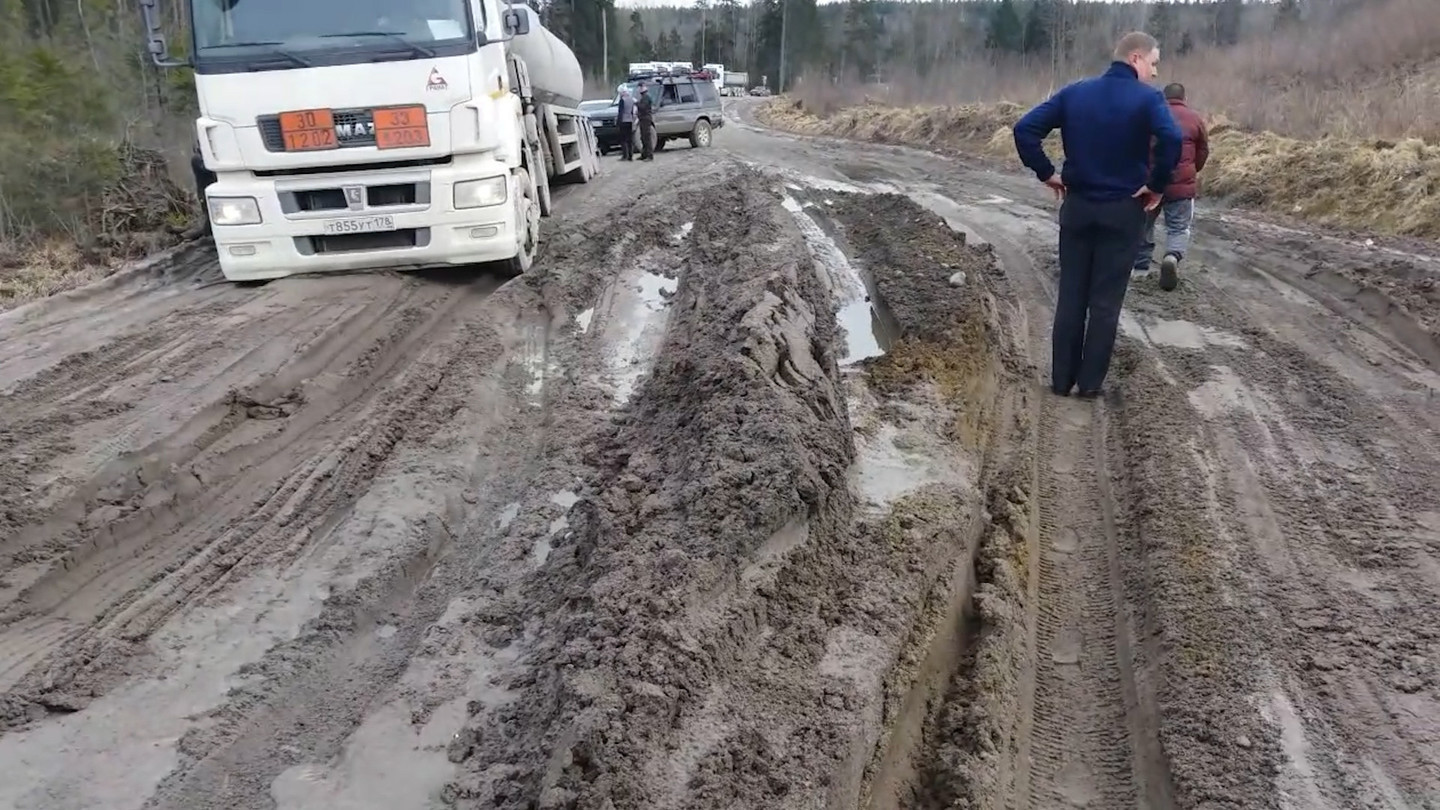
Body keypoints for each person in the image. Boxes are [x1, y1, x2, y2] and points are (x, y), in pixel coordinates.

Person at [1012, 31, 1182, 398]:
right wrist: (1156, 184)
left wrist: (1046, 173)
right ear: (1135, 58)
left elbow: (1025, 129)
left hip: (1078, 206)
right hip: (1123, 210)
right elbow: (1172, 139)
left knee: (1071, 296)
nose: (1154, 73)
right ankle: (1089, 385)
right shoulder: (1148, 99)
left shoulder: (1076, 93)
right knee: (1104, 303)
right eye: (1153, 63)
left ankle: (1060, 381)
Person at [1133, 82, 1209, 291]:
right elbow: (1203, 150)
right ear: (1184, 98)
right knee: (1178, 227)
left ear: (1163, 98)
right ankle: (1171, 257)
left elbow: (1138, 147)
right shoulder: (1195, 118)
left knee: (1143, 224)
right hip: (1182, 186)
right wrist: (1192, 170)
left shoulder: (1151, 115)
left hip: (1150, 182)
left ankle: (1140, 269)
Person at [635, 81, 656, 162]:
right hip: (642, 119)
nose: (638, 89)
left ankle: (650, 156)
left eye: (640, 87)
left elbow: (643, 107)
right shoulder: (643, 97)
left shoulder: (646, 97)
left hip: (646, 119)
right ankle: (644, 154)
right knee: (643, 137)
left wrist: (636, 103)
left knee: (647, 137)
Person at [616, 87, 637, 161]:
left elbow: (620, 112)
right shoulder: (631, 100)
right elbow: (632, 111)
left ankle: (625, 155)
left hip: (623, 121)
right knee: (630, 139)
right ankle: (630, 155)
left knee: (623, 139)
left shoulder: (622, 100)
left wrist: (618, 122)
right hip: (630, 121)